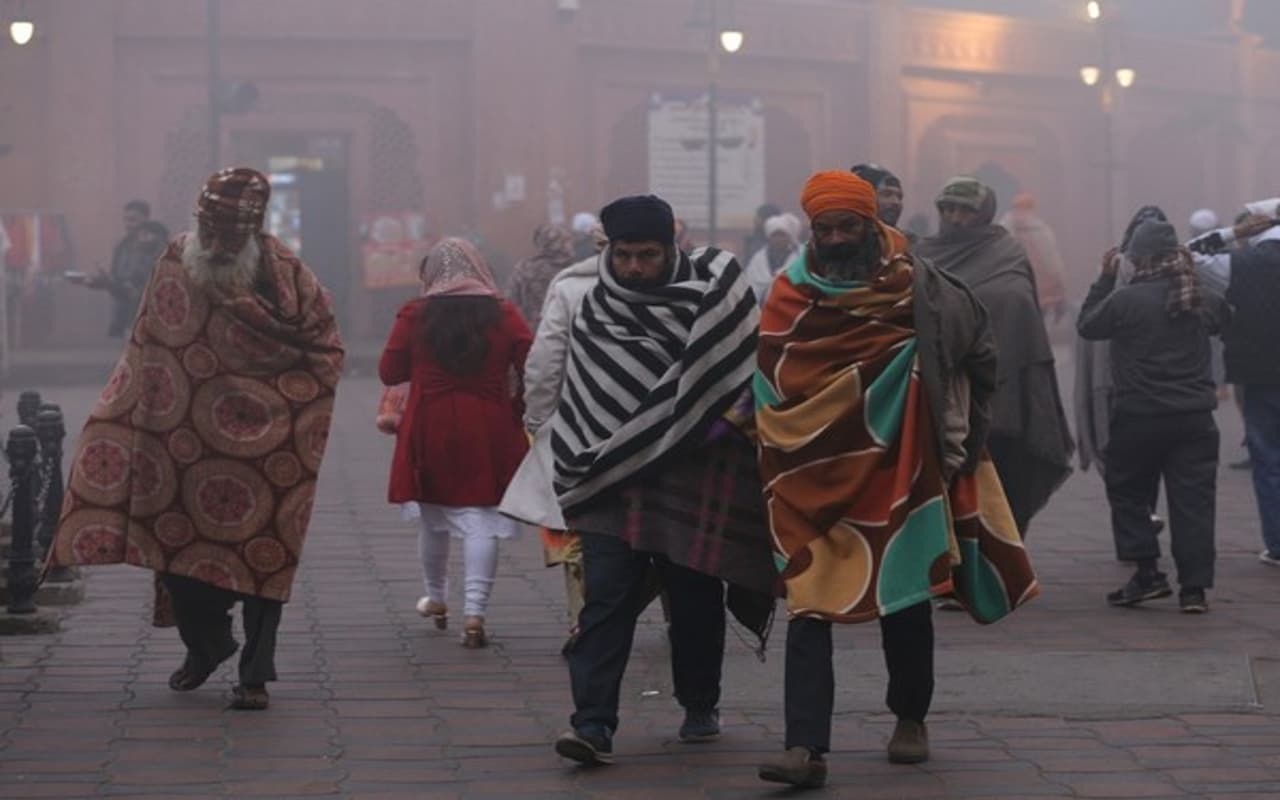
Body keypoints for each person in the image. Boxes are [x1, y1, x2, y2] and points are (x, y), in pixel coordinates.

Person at [755, 171, 1036, 788]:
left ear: (870, 225)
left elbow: (978, 353)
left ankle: (910, 719)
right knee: (809, 604)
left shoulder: (922, 288)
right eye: (822, 228)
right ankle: (805, 746)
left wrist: (953, 419)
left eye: (846, 227)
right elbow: (772, 375)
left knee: (905, 597)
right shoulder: (789, 293)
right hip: (809, 473)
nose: (833, 239)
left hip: (903, 470)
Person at [47, 168, 345, 711]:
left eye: (228, 232)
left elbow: (325, 346)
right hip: (185, 438)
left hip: (273, 442)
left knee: (266, 556)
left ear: (251, 230)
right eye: (209, 229)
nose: (216, 241)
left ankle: (255, 675)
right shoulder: (174, 261)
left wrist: (293, 405)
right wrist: (120, 407)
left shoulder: (285, 273)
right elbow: (148, 343)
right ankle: (207, 646)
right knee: (177, 551)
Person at [551, 194, 775, 767]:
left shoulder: (716, 298)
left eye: (647, 255)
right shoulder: (596, 307)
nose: (633, 267)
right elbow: (585, 392)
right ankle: (592, 724)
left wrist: (698, 428)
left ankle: (700, 705)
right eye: (623, 254)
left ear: (670, 248)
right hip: (610, 483)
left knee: (696, 597)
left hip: (690, 475)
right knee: (606, 603)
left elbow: (742, 375)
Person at [380, 237, 532, 648]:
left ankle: (437, 597)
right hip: (490, 423)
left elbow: (389, 369)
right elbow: (531, 361)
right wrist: (518, 404)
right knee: (480, 516)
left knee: (434, 512)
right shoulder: (503, 312)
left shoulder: (415, 313)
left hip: (429, 422)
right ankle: (475, 614)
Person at [1078, 220, 1228, 612]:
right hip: (1195, 418)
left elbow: (1088, 325)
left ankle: (1146, 572)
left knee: (1127, 490)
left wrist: (1104, 278)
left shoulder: (1126, 300)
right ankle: (1194, 590)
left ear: (1137, 259)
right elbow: (1226, 318)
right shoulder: (1200, 296)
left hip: (1139, 415)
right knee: (1193, 504)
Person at [915, 176, 1073, 536]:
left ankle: (994, 573)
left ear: (984, 213)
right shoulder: (923, 255)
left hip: (998, 393)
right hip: (932, 391)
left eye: (966, 210)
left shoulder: (1006, 252)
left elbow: (1020, 312)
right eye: (948, 208)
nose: (955, 218)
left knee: (994, 488)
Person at [500, 234, 603, 654]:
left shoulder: (570, 287)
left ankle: (583, 621)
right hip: (652, 430)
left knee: (578, 529)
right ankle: (669, 615)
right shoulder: (679, 286)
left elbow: (545, 364)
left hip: (577, 425)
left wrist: (538, 419)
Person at [1190, 207, 1280, 564]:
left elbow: (1186, 253)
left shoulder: (1239, 265)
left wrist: (1229, 233)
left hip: (1259, 377)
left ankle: (1277, 544)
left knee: (1269, 460)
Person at [999, 193, 1068, 321]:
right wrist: (1060, 292)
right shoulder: (1040, 230)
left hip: (1015, 289)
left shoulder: (1003, 231)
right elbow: (1053, 263)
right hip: (1038, 290)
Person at [506, 223, 575, 327]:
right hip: (567, 330)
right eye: (566, 241)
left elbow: (510, 301)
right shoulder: (570, 270)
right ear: (556, 244)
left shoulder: (524, 268)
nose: (571, 245)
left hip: (535, 331)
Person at [743, 212, 801, 304]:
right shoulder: (758, 260)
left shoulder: (800, 258)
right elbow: (750, 285)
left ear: (789, 237)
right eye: (774, 235)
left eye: (782, 235)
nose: (778, 239)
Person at [850, 163, 905, 229]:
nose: (896, 202)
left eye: (899, 197)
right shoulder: (838, 236)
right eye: (887, 194)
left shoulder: (905, 239)